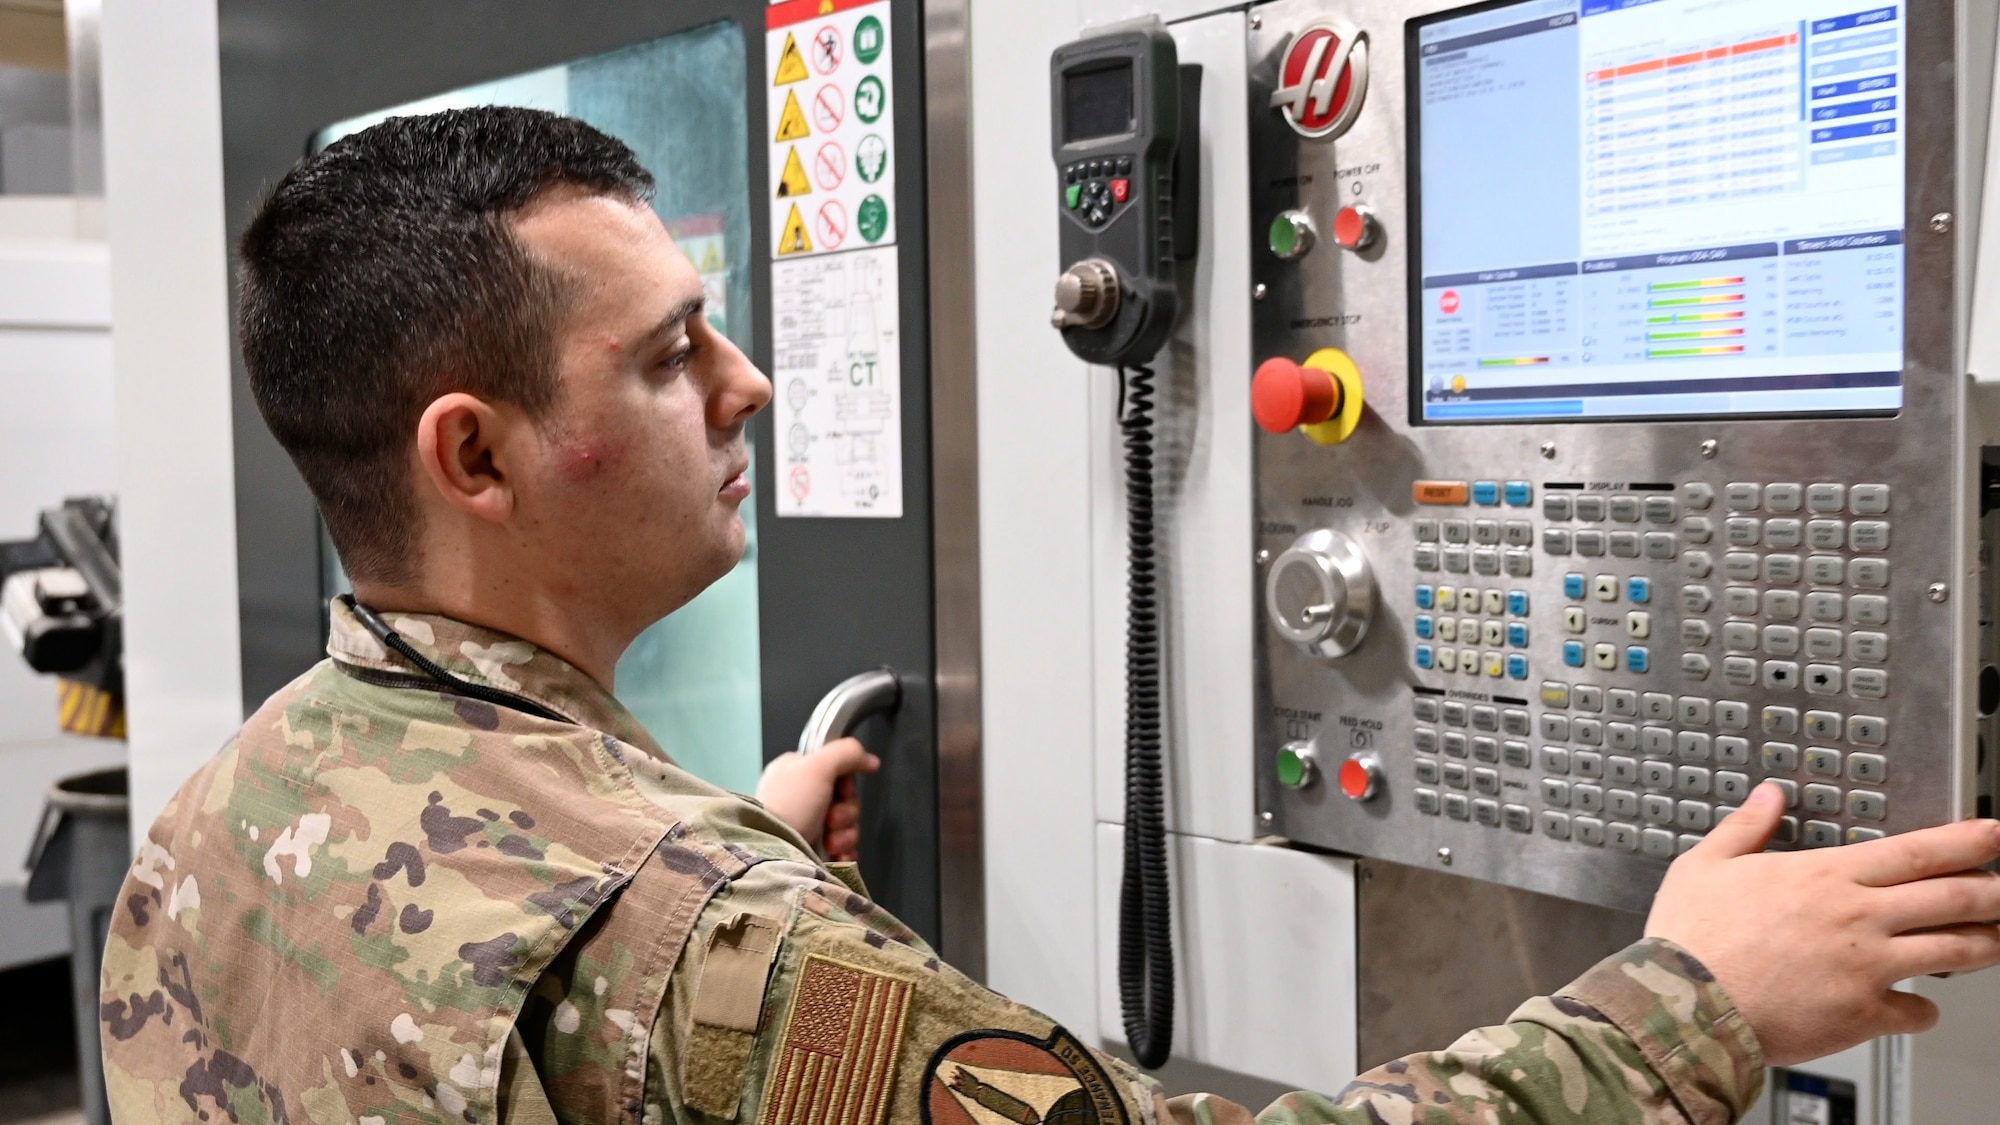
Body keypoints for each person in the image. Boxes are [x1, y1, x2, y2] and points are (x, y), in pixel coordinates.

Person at [98, 107, 2000, 1125]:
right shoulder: (697, 944)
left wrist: (710, 876)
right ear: (476, 456)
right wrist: (1695, 1004)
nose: (751, 384)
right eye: (675, 353)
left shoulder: (215, 822)